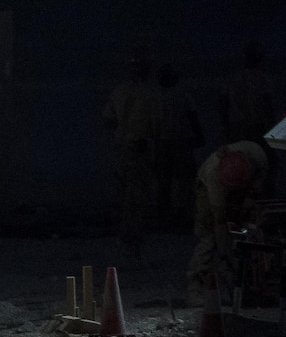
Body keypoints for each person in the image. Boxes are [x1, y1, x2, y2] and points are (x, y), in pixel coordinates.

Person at [186, 139, 270, 306]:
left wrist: (250, 197)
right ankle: (195, 288)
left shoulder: (256, 154)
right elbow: (219, 221)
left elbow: (262, 177)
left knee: (253, 228)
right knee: (208, 237)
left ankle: (251, 283)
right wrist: (224, 250)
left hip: (246, 186)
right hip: (209, 191)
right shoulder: (214, 178)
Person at [102, 55, 161, 258]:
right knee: (136, 194)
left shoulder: (119, 91)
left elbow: (108, 118)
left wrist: (121, 133)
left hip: (121, 147)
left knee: (123, 191)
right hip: (139, 147)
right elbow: (155, 125)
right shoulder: (149, 94)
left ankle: (124, 233)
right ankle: (131, 236)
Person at [153, 64, 204, 226]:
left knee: (164, 177)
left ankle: (164, 210)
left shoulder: (156, 97)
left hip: (162, 141)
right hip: (182, 140)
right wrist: (199, 135)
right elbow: (193, 118)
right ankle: (183, 209)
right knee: (185, 177)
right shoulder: (183, 96)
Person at [220, 41, 279, 145]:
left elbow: (223, 104)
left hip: (237, 127)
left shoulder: (234, 79)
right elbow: (268, 106)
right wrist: (273, 128)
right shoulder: (262, 79)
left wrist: (226, 128)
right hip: (256, 127)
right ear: (259, 59)